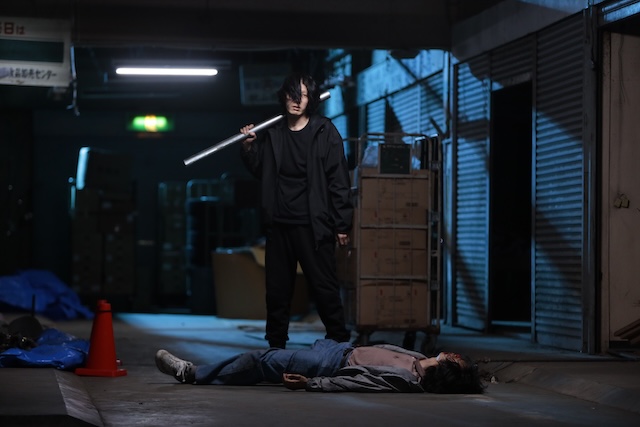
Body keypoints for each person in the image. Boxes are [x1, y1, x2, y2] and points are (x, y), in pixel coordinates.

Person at [239, 73, 353, 349]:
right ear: (284, 96)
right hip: (279, 224)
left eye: (303, 95)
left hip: (314, 224)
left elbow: (339, 179)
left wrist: (342, 224)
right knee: (277, 291)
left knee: (324, 288)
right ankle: (275, 347)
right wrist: (249, 147)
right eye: (292, 94)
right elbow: (261, 171)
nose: (297, 100)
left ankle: (339, 344)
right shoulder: (274, 132)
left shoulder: (324, 131)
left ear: (310, 99)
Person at [154, 339, 485, 394]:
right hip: (337, 349)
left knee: (260, 361)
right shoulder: (416, 357)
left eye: (457, 360)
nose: (454, 354)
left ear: (449, 371)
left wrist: (312, 384)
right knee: (268, 358)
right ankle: (202, 372)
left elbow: (362, 383)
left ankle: (191, 373)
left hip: (328, 363)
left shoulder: (409, 379)